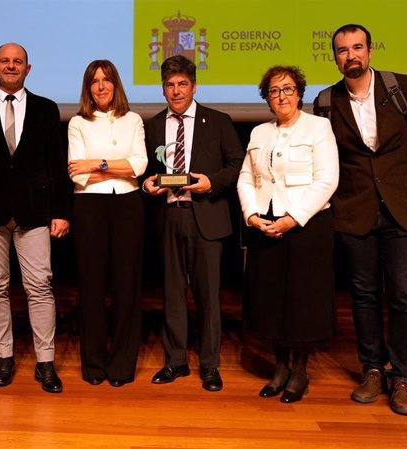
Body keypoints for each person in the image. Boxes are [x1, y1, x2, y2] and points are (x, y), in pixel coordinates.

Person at [312, 24, 407, 415]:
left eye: (357, 47)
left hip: (404, 208)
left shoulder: (404, 88)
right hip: (355, 212)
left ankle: (402, 376)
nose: (350, 55)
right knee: (364, 296)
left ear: (370, 50)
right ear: (334, 57)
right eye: (342, 50)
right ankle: (372, 369)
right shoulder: (324, 101)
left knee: (404, 294)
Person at [0, 43, 70, 394]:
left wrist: (61, 211)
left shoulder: (46, 108)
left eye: (18, 62)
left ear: (28, 68)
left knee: (40, 287)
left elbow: (56, 163)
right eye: (5, 61)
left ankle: (45, 362)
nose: (11, 66)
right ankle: (4, 357)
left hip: (36, 212)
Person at [238, 65, 339, 403]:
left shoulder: (319, 127)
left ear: (300, 92)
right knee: (270, 300)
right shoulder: (258, 133)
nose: (281, 96)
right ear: (266, 97)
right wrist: (252, 215)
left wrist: (292, 218)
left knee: (301, 303)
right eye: (274, 91)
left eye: (288, 89)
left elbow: (327, 180)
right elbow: (246, 179)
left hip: (305, 227)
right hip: (265, 225)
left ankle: (299, 372)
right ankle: (279, 367)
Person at [143, 55, 244, 392]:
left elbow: (236, 165)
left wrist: (210, 183)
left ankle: (210, 366)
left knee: (208, 296)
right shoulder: (154, 125)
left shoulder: (217, 120)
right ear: (163, 89)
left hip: (207, 215)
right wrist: (147, 184)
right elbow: (145, 171)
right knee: (172, 294)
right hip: (168, 216)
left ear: (194, 86)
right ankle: (175, 362)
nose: (176, 91)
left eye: (182, 84)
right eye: (170, 85)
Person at [67, 60, 148, 387]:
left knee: (127, 287)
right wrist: (116, 167)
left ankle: (122, 366)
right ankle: (95, 365)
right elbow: (78, 172)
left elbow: (139, 165)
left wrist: (97, 163)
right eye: (94, 82)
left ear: (116, 85)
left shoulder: (133, 120)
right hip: (90, 205)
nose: (101, 86)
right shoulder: (77, 123)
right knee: (92, 287)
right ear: (88, 88)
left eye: (106, 80)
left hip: (127, 204)